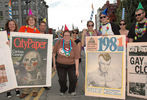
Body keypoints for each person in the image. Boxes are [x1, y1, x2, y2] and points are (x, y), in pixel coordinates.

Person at [53, 29, 80, 96]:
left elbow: (76, 58)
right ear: (63, 36)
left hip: (71, 65)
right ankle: (63, 89)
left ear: (70, 36)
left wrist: (77, 70)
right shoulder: (59, 43)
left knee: (73, 79)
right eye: (65, 35)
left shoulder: (73, 44)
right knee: (62, 79)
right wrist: (54, 64)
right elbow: (53, 53)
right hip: (60, 64)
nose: (66, 37)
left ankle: (72, 90)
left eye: (68, 35)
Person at [18, 15, 40, 98]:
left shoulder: (37, 31)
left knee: (34, 71)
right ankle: (25, 91)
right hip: (25, 53)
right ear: (27, 21)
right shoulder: (23, 29)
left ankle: (35, 90)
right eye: (29, 20)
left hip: (34, 53)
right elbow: (18, 39)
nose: (31, 21)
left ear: (35, 21)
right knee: (25, 71)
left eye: (33, 20)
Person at [4, 19, 20, 98]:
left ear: (15, 25)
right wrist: (5, 43)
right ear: (7, 26)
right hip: (6, 57)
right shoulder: (4, 35)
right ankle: (8, 90)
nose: (12, 26)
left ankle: (17, 89)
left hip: (16, 57)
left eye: (13, 24)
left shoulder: (18, 34)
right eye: (10, 24)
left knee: (16, 73)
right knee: (8, 74)